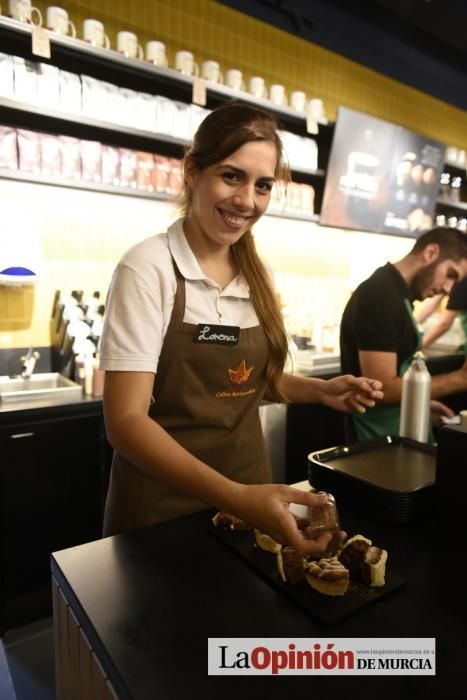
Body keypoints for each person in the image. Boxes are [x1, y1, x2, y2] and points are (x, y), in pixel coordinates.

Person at [99, 102, 383, 555]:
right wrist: (239, 497)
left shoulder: (256, 274)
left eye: (263, 186)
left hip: (251, 499)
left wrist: (320, 391)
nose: (247, 201)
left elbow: (237, 381)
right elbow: (126, 423)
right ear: (193, 171)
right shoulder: (149, 267)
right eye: (232, 176)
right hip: (162, 515)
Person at [340, 227, 467, 441]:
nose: (448, 289)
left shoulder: (399, 294)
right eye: (450, 274)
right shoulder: (379, 295)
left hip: (397, 434)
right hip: (377, 443)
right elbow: (383, 388)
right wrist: (461, 379)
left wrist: (421, 404)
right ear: (430, 253)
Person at [416, 276, 467, 352]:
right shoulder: (448, 279)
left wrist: (416, 349)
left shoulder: (461, 283)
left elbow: (445, 323)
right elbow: (431, 305)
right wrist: (413, 324)